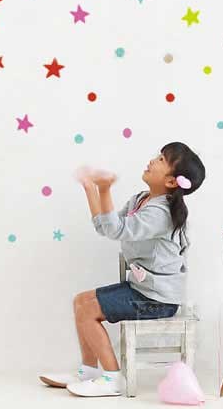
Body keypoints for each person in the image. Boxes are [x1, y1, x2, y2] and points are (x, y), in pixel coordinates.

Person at [39, 141, 206, 397]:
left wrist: (104, 189)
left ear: (172, 181)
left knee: (88, 310)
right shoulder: (141, 199)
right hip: (142, 290)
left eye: (161, 160)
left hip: (158, 300)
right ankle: (88, 372)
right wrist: (91, 188)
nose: (153, 160)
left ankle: (112, 378)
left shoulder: (160, 213)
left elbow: (117, 230)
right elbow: (106, 227)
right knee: (81, 302)